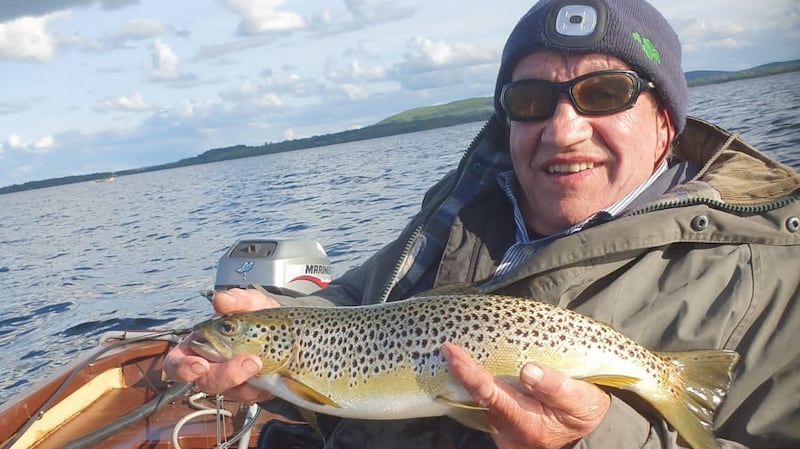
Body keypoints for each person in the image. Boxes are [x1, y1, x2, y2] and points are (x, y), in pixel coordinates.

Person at [165, 0, 800, 447]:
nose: (562, 129)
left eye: (605, 94)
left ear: (667, 118)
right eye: (529, 102)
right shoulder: (460, 213)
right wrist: (266, 318)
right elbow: (352, 303)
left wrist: (595, 438)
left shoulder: (775, 275)